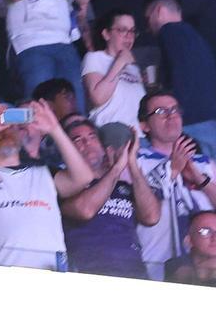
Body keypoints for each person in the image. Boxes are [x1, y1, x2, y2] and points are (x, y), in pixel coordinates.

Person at [0, 101, 95, 270]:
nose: (6, 132)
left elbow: (83, 177)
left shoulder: (45, 174)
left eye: (12, 128)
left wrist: (54, 129)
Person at [135, 89, 216, 281]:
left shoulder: (204, 162)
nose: (171, 116)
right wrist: (171, 169)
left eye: (174, 110)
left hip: (209, 269)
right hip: (156, 264)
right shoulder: (136, 160)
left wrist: (199, 178)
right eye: (160, 112)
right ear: (144, 125)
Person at [60, 119, 160, 278]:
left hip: (134, 273)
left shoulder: (124, 187)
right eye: (77, 140)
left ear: (104, 148)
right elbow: (85, 210)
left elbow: (151, 217)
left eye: (93, 137)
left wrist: (132, 162)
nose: (87, 142)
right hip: (89, 272)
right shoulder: (65, 187)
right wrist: (117, 168)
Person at [144, 0, 216, 163]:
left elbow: (181, 76)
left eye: (147, 19)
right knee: (212, 184)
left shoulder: (169, 32)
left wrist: (173, 116)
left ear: (159, 11)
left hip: (191, 125)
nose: (148, 28)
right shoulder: (196, 37)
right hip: (212, 125)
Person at [81, 10, 147, 130]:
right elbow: (98, 98)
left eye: (132, 31)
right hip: (112, 133)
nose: (129, 36)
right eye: (122, 30)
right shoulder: (95, 57)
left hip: (138, 135)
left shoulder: (133, 67)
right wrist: (120, 62)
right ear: (106, 34)